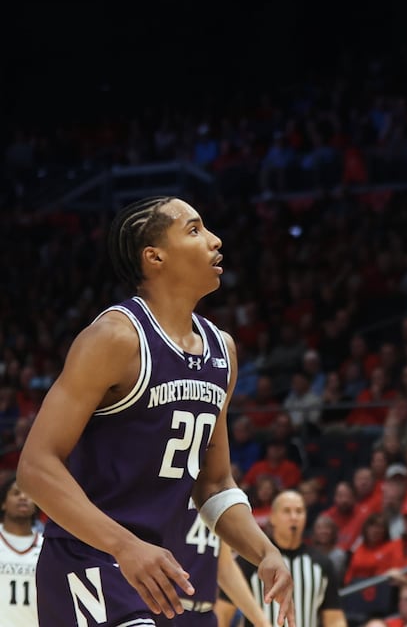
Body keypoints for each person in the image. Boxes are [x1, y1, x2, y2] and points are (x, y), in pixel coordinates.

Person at [17, 197, 293, 625]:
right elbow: (35, 467)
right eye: (195, 230)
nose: (216, 241)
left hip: (156, 572)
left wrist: (264, 551)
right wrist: (124, 546)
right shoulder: (114, 338)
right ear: (155, 256)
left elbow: (215, 483)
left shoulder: (223, 350)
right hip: (89, 562)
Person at [225, 489, 343, 627]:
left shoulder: (323, 564)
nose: (294, 517)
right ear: (272, 518)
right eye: (287, 511)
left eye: (299, 511)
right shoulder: (249, 560)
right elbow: (224, 612)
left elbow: (334, 619)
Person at [0, 471, 39, 627]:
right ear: (3, 503)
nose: (23, 497)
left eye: (28, 494)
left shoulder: (47, 546)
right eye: (16, 493)